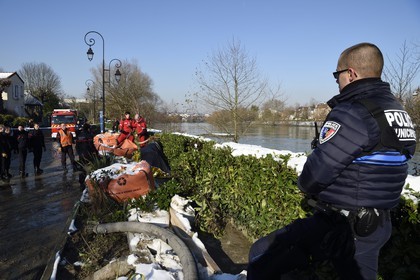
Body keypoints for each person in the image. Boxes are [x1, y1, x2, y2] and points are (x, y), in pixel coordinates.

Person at [247, 43, 417, 280]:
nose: (336, 81)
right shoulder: (399, 112)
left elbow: (315, 175)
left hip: (344, 224)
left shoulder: (352, 111)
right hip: (377, 225)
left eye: (337, 75)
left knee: (260, 256)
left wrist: (305, 185)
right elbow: (401, 157)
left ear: (351, 73)